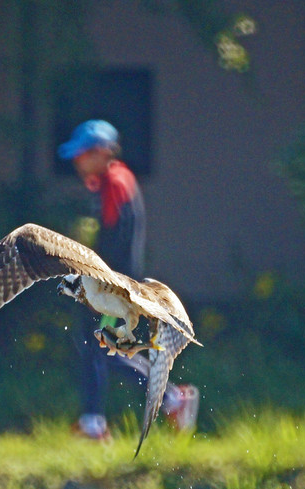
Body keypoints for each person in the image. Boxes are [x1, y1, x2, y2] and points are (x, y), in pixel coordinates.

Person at [57, 119, 199, 441]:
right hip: (114, 284)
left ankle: (167, 401)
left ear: (102, 152)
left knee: (101, 346)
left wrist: (100, 279)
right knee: (102, 347)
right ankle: (100, 419)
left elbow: (117, 241)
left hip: (114, 286)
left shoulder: (115, 182)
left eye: (83, 155)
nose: (78, 162)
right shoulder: (112, 182)